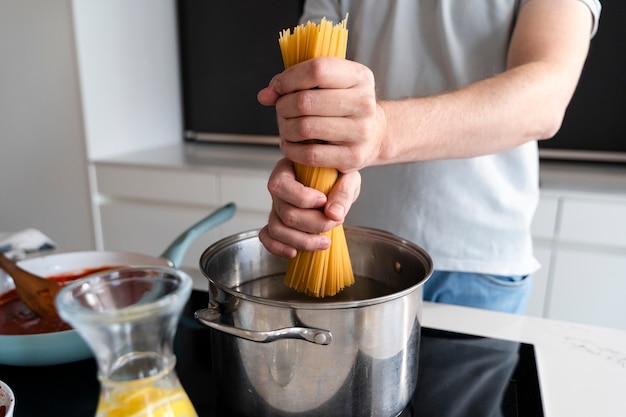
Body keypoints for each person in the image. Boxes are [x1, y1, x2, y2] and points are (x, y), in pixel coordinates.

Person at [257, 0, 602, 314]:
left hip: (479, 265)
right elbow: (311, 98)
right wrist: (304, 172)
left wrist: (383, 133)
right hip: (354, 249)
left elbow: (544, 99)